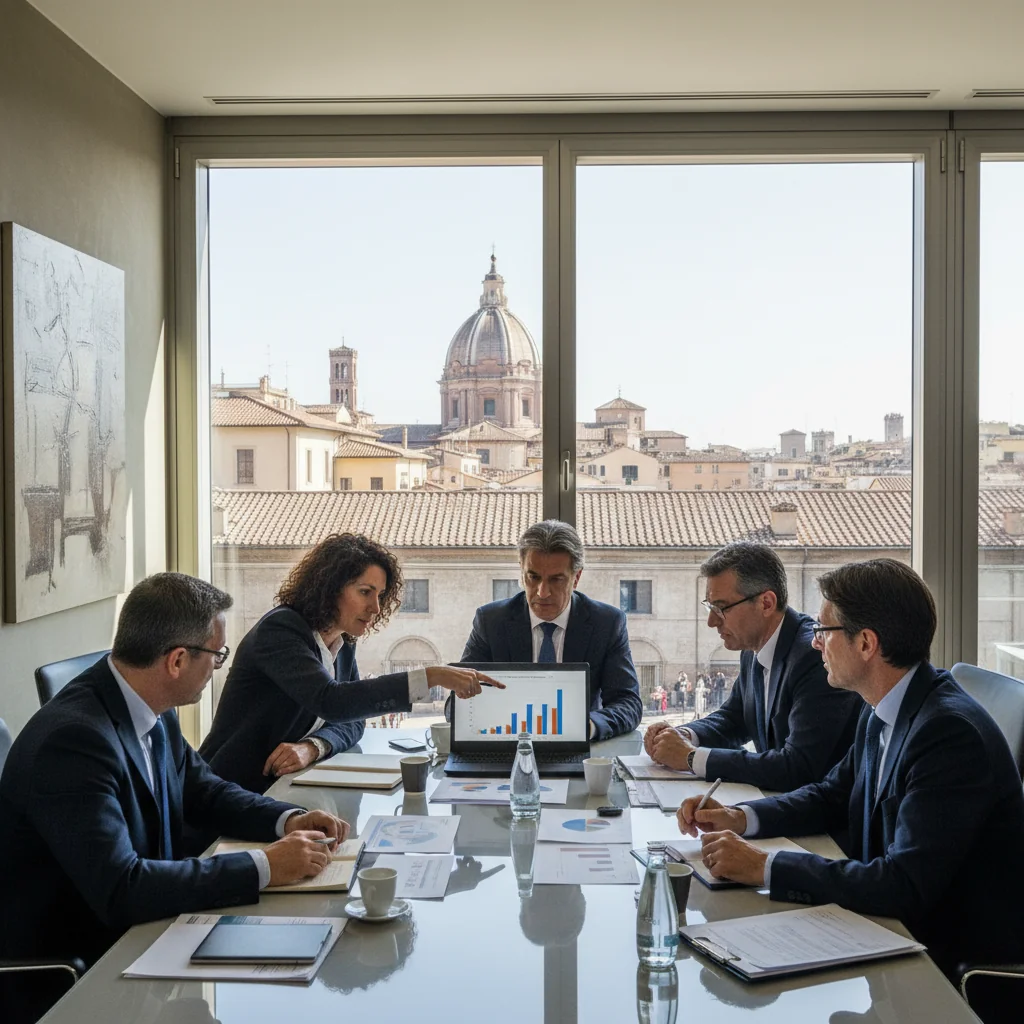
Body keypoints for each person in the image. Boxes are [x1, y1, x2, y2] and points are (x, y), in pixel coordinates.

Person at [0, 573, 350, 1023]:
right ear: (178, 660)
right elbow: (121, 889)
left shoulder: (143, 701)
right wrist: (266, 867)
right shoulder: (73, 743)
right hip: (83, 972)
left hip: (151, 935)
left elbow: (204, 790)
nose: (219, 667)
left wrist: (288, 820)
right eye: (218, 656)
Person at [677, 558, 1024, 991]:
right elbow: (831, 795)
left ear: (866, 644)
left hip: (942, 962)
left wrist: (766, 867)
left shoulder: (947, 735)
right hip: (888, 932)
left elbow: (904, 884)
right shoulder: (885, 702)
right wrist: (742, 817)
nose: (814, 643)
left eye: (824, 631)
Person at [201, 534, 501, 796]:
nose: (376, 608)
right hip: (230, 792)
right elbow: (333, 702)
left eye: (380, 595)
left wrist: (313, 747)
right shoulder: (281, 630)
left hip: (284, 790)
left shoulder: (342, 643)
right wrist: (431, 676)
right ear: (329, 588)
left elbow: (353, 721)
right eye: (365, 592)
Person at [645, 543, 860, 791]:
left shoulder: (814, 657)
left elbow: (798, 767)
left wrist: (691, 758)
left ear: (766, 603)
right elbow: (735, 718)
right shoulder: (752, 647)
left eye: (721, 608)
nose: (711, 621)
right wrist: (682, 735)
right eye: (710, 606)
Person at [454, 520, 643, 740]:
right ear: (522, 571)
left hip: (577, 746)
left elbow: (628, 703)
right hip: (506, 741)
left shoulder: (607, 623)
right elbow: (456, 704)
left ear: (576, 578)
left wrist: (588, 727)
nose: (542, 592)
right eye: (533, 577)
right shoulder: (491, 621)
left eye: (556, 580)